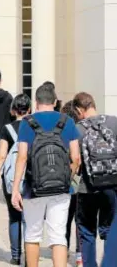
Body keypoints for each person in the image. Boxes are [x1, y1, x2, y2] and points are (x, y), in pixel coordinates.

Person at [11, 84, 80, 267]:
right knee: (58, 236)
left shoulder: (27, 122)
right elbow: (76, 158)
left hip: (33, 188)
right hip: (62, 188)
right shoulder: (68, 121)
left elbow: (22, 157)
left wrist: (15, 188)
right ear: (55, 102)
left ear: (36, 102)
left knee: (32, 234)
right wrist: (66, 177)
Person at [72, 92, 117, 267]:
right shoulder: (113, 122)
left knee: (86, 231)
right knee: (110, 228)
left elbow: (75, 159)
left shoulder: (77, 129)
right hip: (113, 184)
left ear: (78, 109)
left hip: (87, 187)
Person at [0, 93, 31, 265]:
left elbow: (1, 156)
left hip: (10, 179)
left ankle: (16, 256)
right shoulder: (34, 127)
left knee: (14, 217)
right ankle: (31, 255)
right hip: (30, 177)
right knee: (29, 218)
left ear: (13, 110)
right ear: (29, 109)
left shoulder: (7, 129)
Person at [60, 100, 82, 266]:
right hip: (83, 184)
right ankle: (80, 256)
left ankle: (64, 250)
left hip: (67, 184)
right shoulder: (82, 132)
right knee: (80, 222)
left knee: (65, 221)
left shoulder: (63, 134)